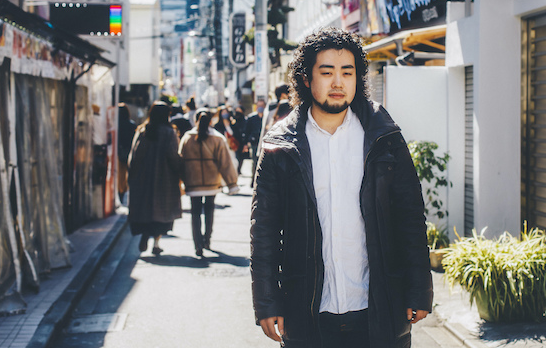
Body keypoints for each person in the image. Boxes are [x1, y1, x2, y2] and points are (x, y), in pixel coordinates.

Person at [250, 27, 433, 348]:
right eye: (327, 72)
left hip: (379, 307)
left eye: (347, 72)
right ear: (306, 79)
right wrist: (267, 300)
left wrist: (419, 289)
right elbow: (264, 229)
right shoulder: (280, 145)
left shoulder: (384, 136)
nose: (338, 82)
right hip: (307, 310)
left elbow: (410, 216)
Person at [179, 108, 239, 257]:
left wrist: (180, 181)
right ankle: (207, 240)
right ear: (211, 120)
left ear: (195, 120)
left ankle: (197, 245)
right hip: (212, 182)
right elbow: (225, 163)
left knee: (195, 213)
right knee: (209, 211)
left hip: (193, 181)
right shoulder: (217, 138)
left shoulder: (187, 137)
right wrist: (231, 183)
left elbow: (180, 160)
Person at [127, 102, 182, 256]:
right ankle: (156, 243)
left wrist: (132, 175)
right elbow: (173, 155)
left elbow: (134, 154)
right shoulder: (169, 132)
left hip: (143, 176)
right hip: (164, 178)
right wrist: (180, 170)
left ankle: (145, 234)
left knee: (145, 208)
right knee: (161, 211)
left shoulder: (143, 130)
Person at [243, 99, 266, 187]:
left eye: (262, 106)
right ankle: (254, 180)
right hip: (254, 143)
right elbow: (247, 131)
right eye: (259, 106)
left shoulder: (267, 117)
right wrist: (246, 143)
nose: (260, 108)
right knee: (255, 162)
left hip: (264, 143)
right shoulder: (251, 118)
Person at [117, 103, 136, 204]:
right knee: (128, 174)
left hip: (119, 152)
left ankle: (120, 193)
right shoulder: (132, 125)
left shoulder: (117, 125)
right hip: (129, 152)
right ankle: (125, 191)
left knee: (120, 174)